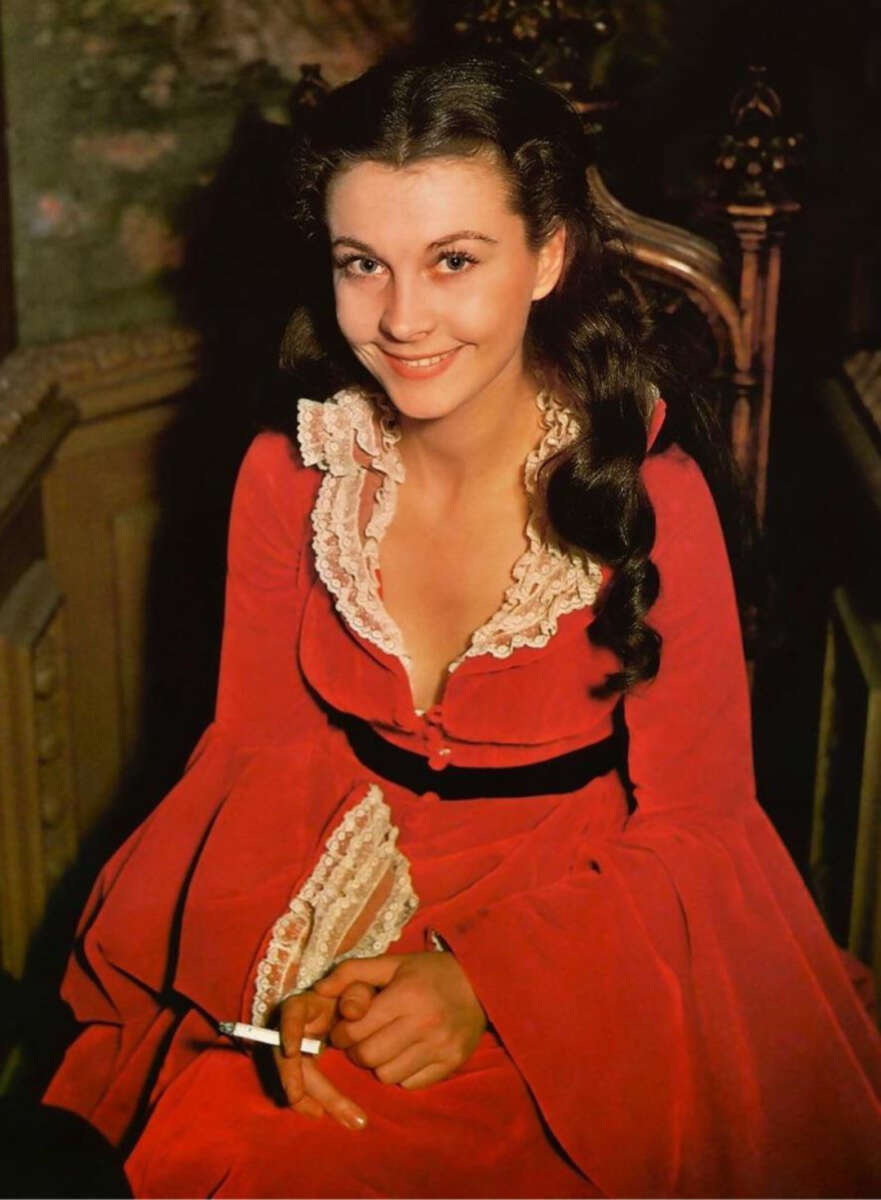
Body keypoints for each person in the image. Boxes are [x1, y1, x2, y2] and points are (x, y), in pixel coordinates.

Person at [45, 48, 881, 1198]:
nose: (399, 320)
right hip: (326, 879)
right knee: (226, 1146)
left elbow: (700, 828)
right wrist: (307, 965)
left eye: (452, 261)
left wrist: (480, 983)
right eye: (360, 264)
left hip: (588, 933)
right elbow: (252, 759)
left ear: (547, 256)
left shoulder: (647, 494)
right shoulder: (289, 474)